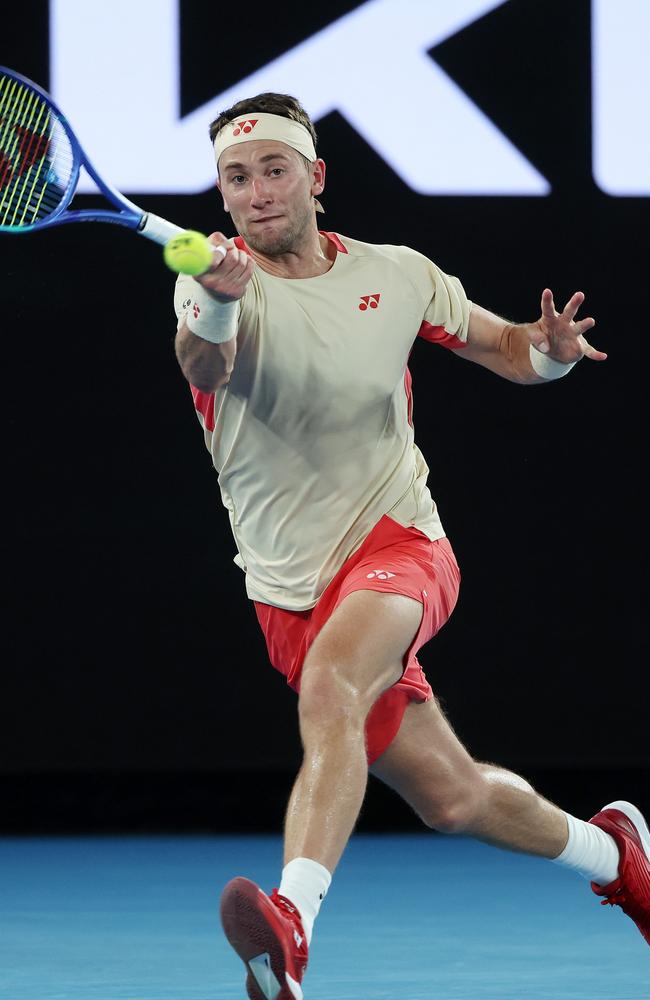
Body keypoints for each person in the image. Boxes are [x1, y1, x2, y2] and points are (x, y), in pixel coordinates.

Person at [173, 93, 649, 999]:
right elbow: (203, 366)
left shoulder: (397, 274)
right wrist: (224, 306)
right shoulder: (207, 287)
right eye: (238, 178)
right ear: (224, 197)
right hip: (287, 589)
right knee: (454, 798)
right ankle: (618, 856)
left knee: (334, 686)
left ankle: (295, 922)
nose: (257, 191)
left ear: (314, 178)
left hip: (401, 542)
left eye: (275, 170)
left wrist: (547, 351)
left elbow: (505, 347)